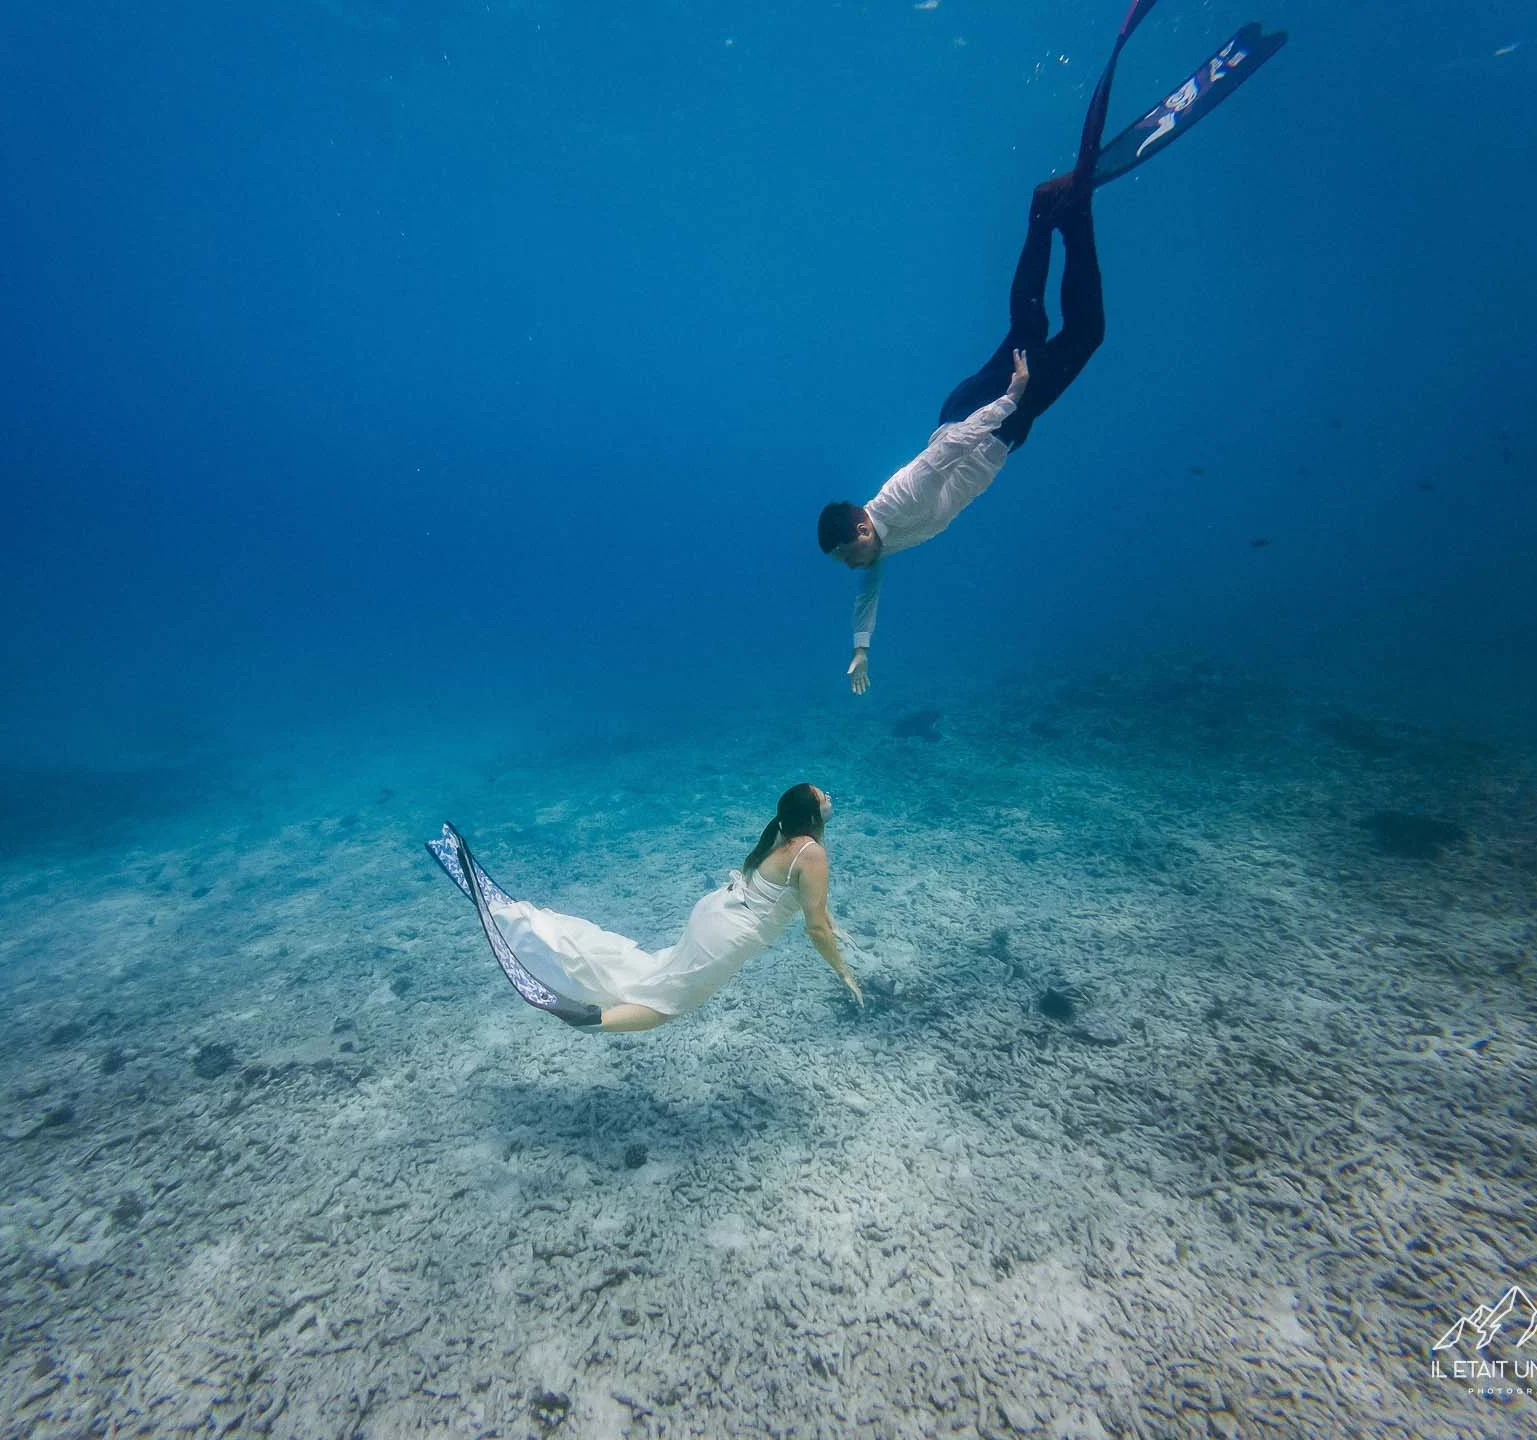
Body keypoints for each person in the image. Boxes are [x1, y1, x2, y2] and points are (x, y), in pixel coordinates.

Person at [818, 2, 1286, 693]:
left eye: (846, 556)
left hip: (982, 418)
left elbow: (942, 453)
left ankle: (1054, 213)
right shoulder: (875, 548)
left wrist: (1010, 398)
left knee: (1056, 333)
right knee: (1057, 331)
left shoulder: (892, 502)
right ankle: (1054, 214)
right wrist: (861, 650)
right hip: (1002, 429)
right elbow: (867, 593)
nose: (853, 570)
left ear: (859, 527)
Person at [426, 785, 861, 1032]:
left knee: (651, 972)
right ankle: (588, 1019)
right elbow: (815, 928)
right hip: (729, 934)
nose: (829, 797)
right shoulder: (813, 854)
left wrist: (828, 923)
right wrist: (841, 970)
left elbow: (809, 904)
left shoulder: (786, 838)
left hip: (716, 913)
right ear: (814, 814)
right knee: (669, 1003)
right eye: (824, 795)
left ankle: (523, 923)